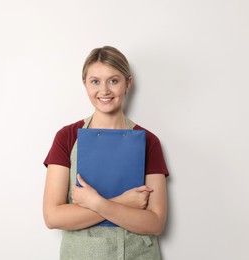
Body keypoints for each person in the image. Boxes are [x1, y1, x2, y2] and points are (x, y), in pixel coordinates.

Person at [43, 46, 169, 260]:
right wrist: (124, 201)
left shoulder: (149, 141)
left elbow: (155, 223)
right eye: (95, 81)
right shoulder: (67, 137)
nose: (104, 90)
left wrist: (97, 202)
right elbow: (53, 217)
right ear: (85, 84)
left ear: (128, 83)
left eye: (113, 80)